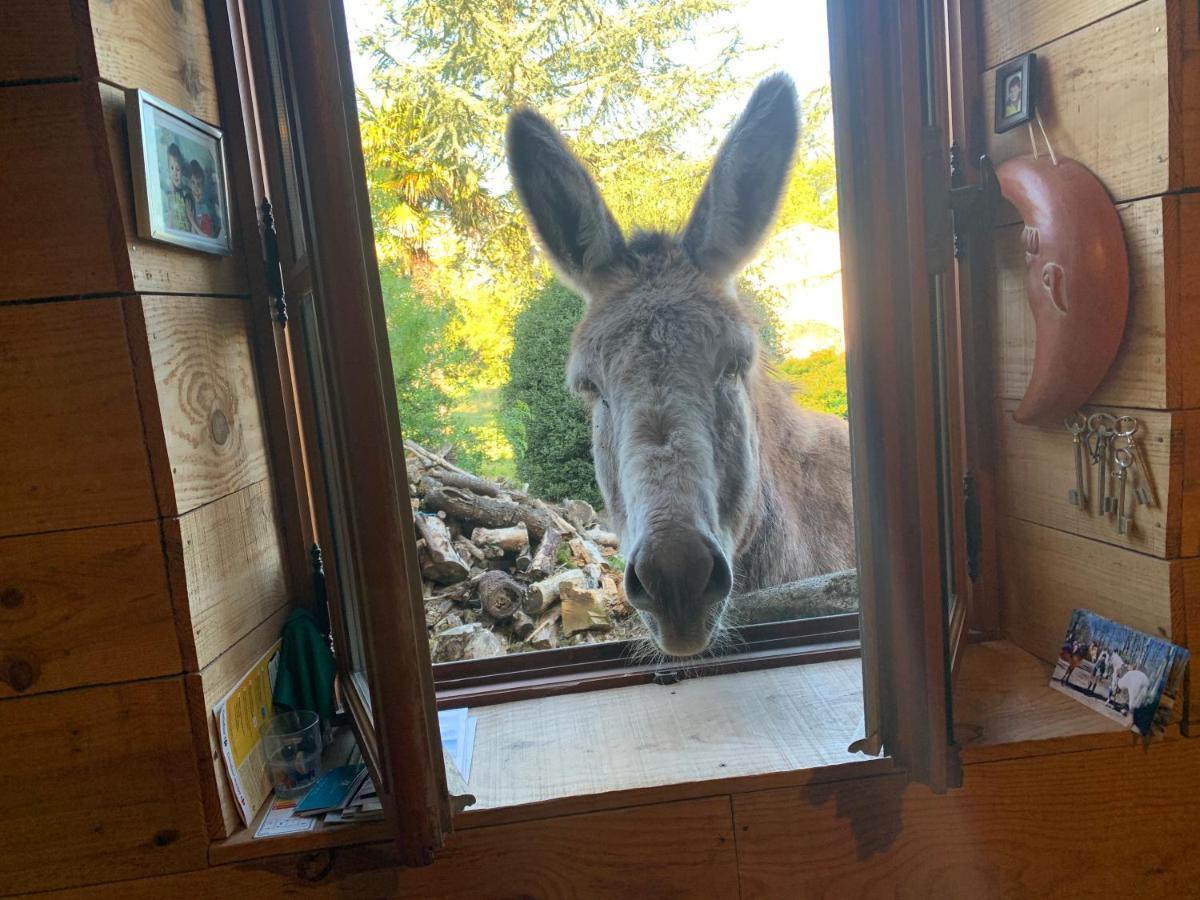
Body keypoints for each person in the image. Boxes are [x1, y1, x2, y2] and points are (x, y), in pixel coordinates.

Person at [185, 159, 221, 238]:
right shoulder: (190, 202)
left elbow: (207, 238)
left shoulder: (206, 208)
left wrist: (191, 220)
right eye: (193, 182)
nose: (196, 188)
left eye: (199, 184)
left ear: (203, 186)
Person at [164, 143, 191, 232]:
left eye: (178, 169)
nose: (175, 173)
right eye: (172, 168)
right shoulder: (168, 193)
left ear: (182, 171)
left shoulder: (186, 192)